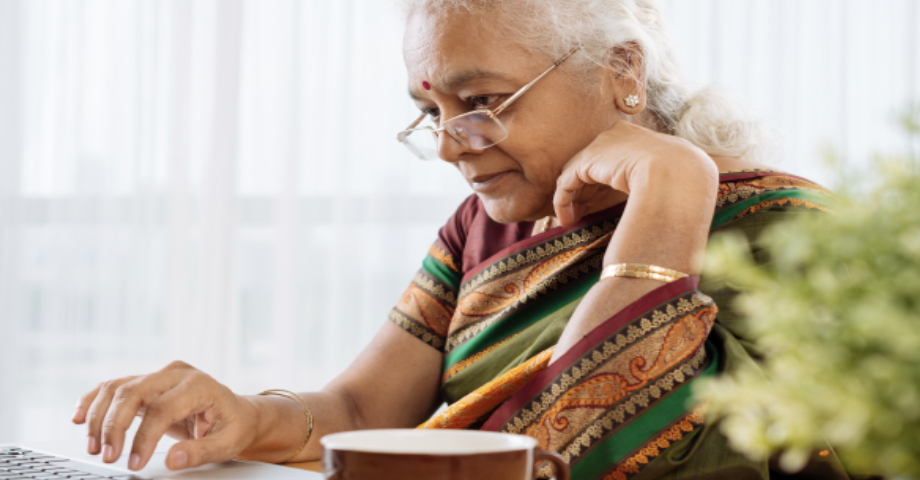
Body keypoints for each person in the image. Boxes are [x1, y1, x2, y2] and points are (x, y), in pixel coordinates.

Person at [74, 1, 846, 478]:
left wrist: (671, 190)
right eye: (432, 109)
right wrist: (246, 417)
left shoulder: (787, 235)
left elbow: (585, 454)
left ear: (620, 70)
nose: (449, 145)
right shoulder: (493, 222)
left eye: (479, 101)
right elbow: (359, 409)